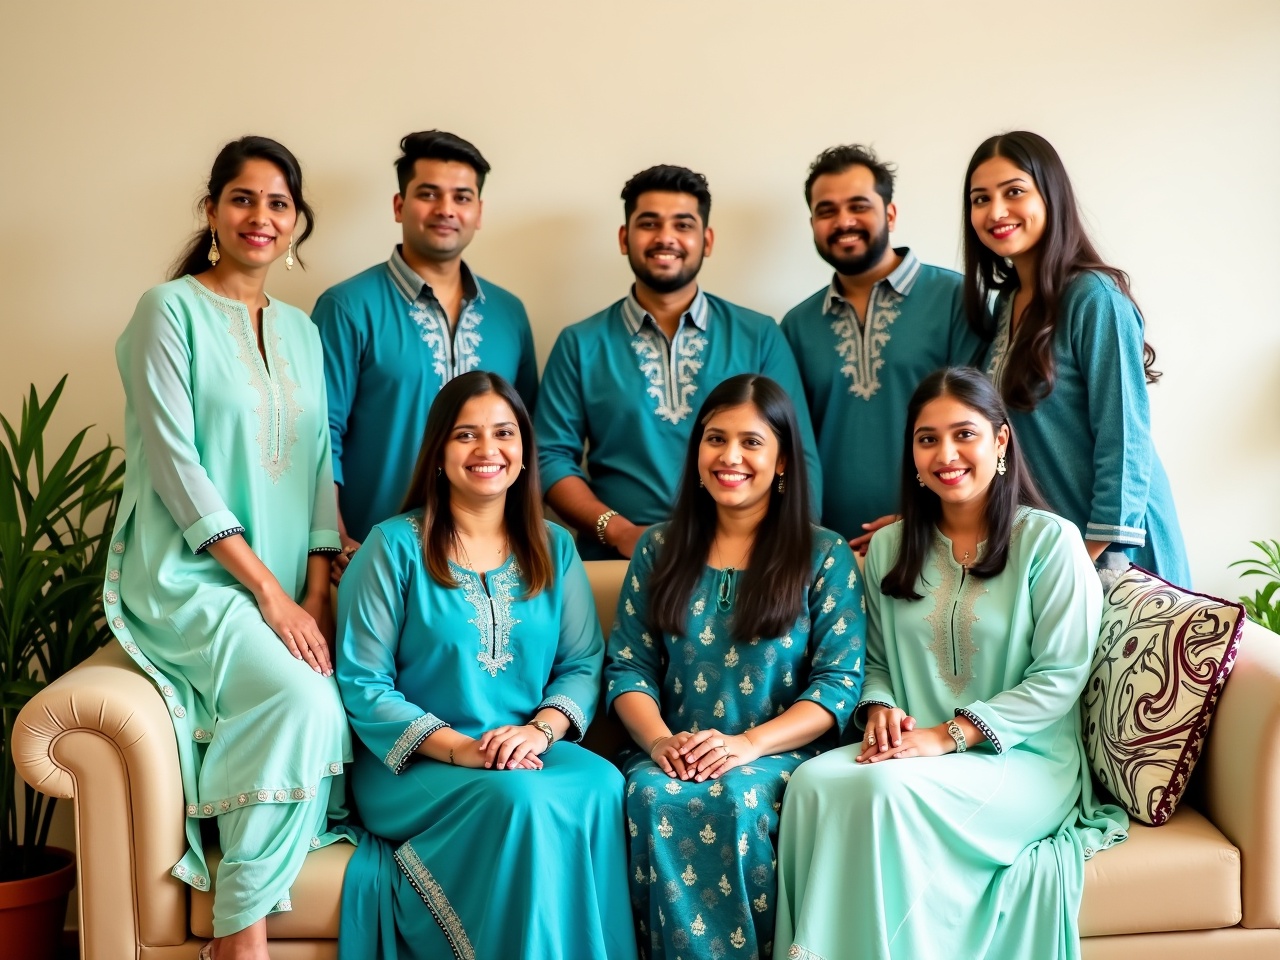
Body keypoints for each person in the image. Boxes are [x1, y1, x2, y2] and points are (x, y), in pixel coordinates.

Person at [775, 367, 1128, 960]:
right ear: (911, 454)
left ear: (1001, 441)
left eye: (964, 434)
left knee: (882, 795)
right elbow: (878, 660)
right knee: (811, 783)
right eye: (927, 438)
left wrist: (950, 734)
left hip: (1022, 758)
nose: (946, 454)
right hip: (916, 749)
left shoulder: (1050, 542)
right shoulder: (889, 548)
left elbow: (1060, 676)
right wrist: (881, 708)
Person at [103, 136, 352, 960]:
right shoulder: (165, 311)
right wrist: (268, 595)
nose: (261, 217)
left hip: (285, 578)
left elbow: (319, 462)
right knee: (304, 700)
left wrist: (313, 586)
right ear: (211, 211)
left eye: (278, 203)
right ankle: (240, 932)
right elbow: (177, 468)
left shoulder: (303, 330)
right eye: (243, 198)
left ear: (296, 224)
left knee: (324, 691)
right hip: (191, 575)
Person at [335, 371, 637, 960]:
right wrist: (463, 748)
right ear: (439, 453)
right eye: (465, 435)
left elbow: (581, 663)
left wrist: (536, 731)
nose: (486, 450)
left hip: (525, 746)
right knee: (517, 802)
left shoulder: (555, 546)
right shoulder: (392, 547)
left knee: (604, 783)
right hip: (417, 763)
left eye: (503, 433)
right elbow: (363, 683)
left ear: (524, 451)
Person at [605, 374, 864, 960]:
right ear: (696, 453)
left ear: (781, 462)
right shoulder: (658, 548)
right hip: (671, 751)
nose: (729, 457)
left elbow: (839, 685)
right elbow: (628, 668)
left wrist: (747, 745)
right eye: (715, 439)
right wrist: (660, 743)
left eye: (751, 442)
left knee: (737, 799)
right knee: (647, 793)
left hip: (779, 755)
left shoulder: (824, 554)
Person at [535, 165, 822, 561]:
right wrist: (619, 532)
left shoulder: (758, 335)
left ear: (706, 240)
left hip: (745, 559)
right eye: (648, 223)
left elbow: (797, 451)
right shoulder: (580, 343)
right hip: (620, 560)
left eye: (682, 225)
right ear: (625, 238)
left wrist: (787, 550)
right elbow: (549, 457)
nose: (665, 237)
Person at [963, 130, 1190, 587]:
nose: (996, 211)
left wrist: (1091, 554)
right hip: (1055, 554)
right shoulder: (1007, 305)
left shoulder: (1094, 297)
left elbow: (1124, 437)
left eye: (1014, 192)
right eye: (980, 199)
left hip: (1118, 553)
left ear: (1051, 196)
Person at [314, 130, 538, 577]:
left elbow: (528, 439)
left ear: (478, 212)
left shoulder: (509, 314)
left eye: (462, 196)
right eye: (428, 194)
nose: (446, 210)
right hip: (372, 556)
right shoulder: (347, 307)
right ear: (399, 206)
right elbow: (319, 435)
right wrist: (333, 537)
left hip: (489, 565)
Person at [782, 145, 981, 554]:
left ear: (890, 214)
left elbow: (982, 427)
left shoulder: (956, 299)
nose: (843, 222)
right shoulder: (796, 326)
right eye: (826, 211)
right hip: (828, 554)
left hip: (940, 539)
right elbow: (792, 446)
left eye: (858, 205)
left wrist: (920, 518)